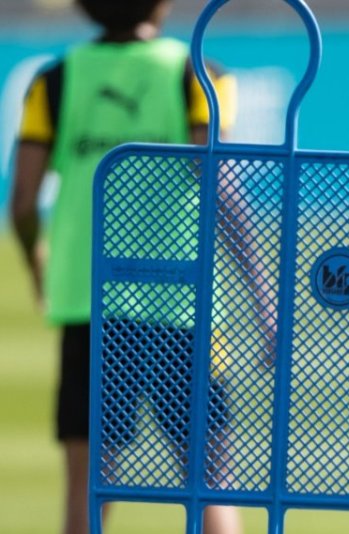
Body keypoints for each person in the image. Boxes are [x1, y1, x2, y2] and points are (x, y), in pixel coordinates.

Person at [9, 1, 241, 533]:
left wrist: (36, 261)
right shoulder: (200, 74)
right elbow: (221, 186)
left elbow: (22, 201)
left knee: (89, 490)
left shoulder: (55, 79)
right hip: (186, 305)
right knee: (209, 485)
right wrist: (262, 292)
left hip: (89, 299)